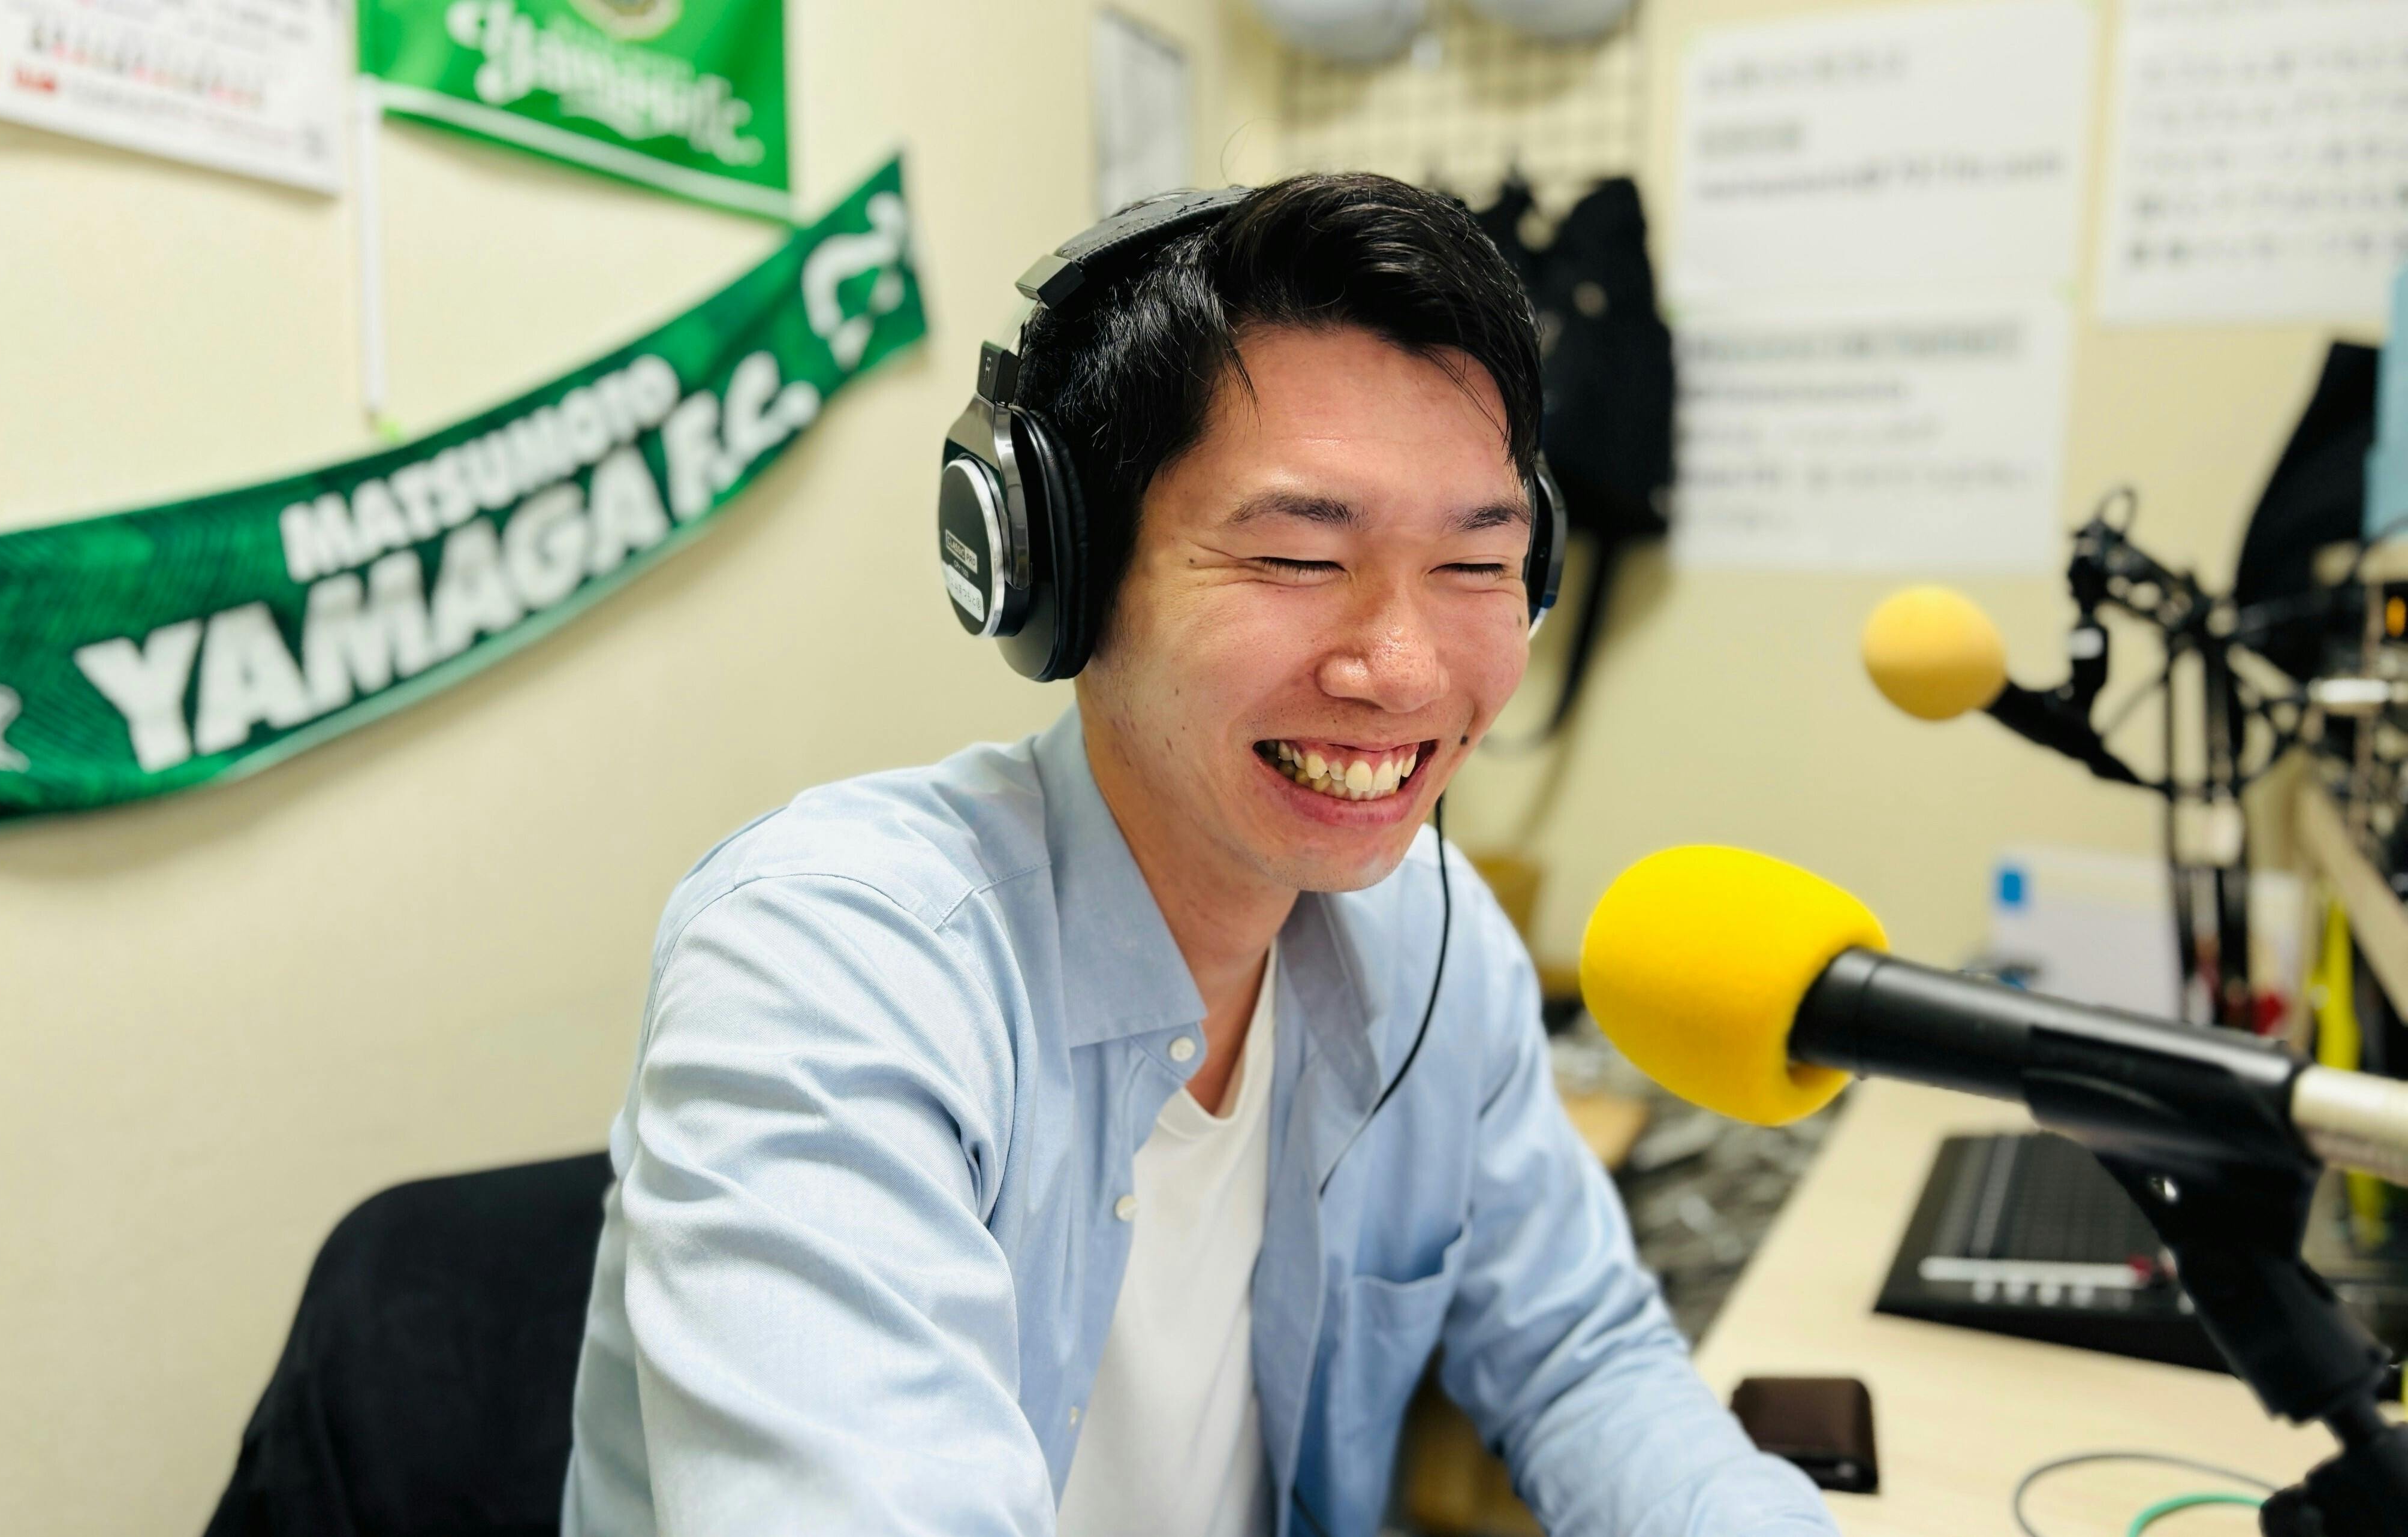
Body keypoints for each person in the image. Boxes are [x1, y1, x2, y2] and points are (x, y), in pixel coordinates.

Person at [561, 172, 1834, 1537]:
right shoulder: (830, 963)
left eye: (1476, 567)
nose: (1406, 672)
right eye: (1298, 559)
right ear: (1056, 572)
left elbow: (1581, 1360)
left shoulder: (1431, 939)